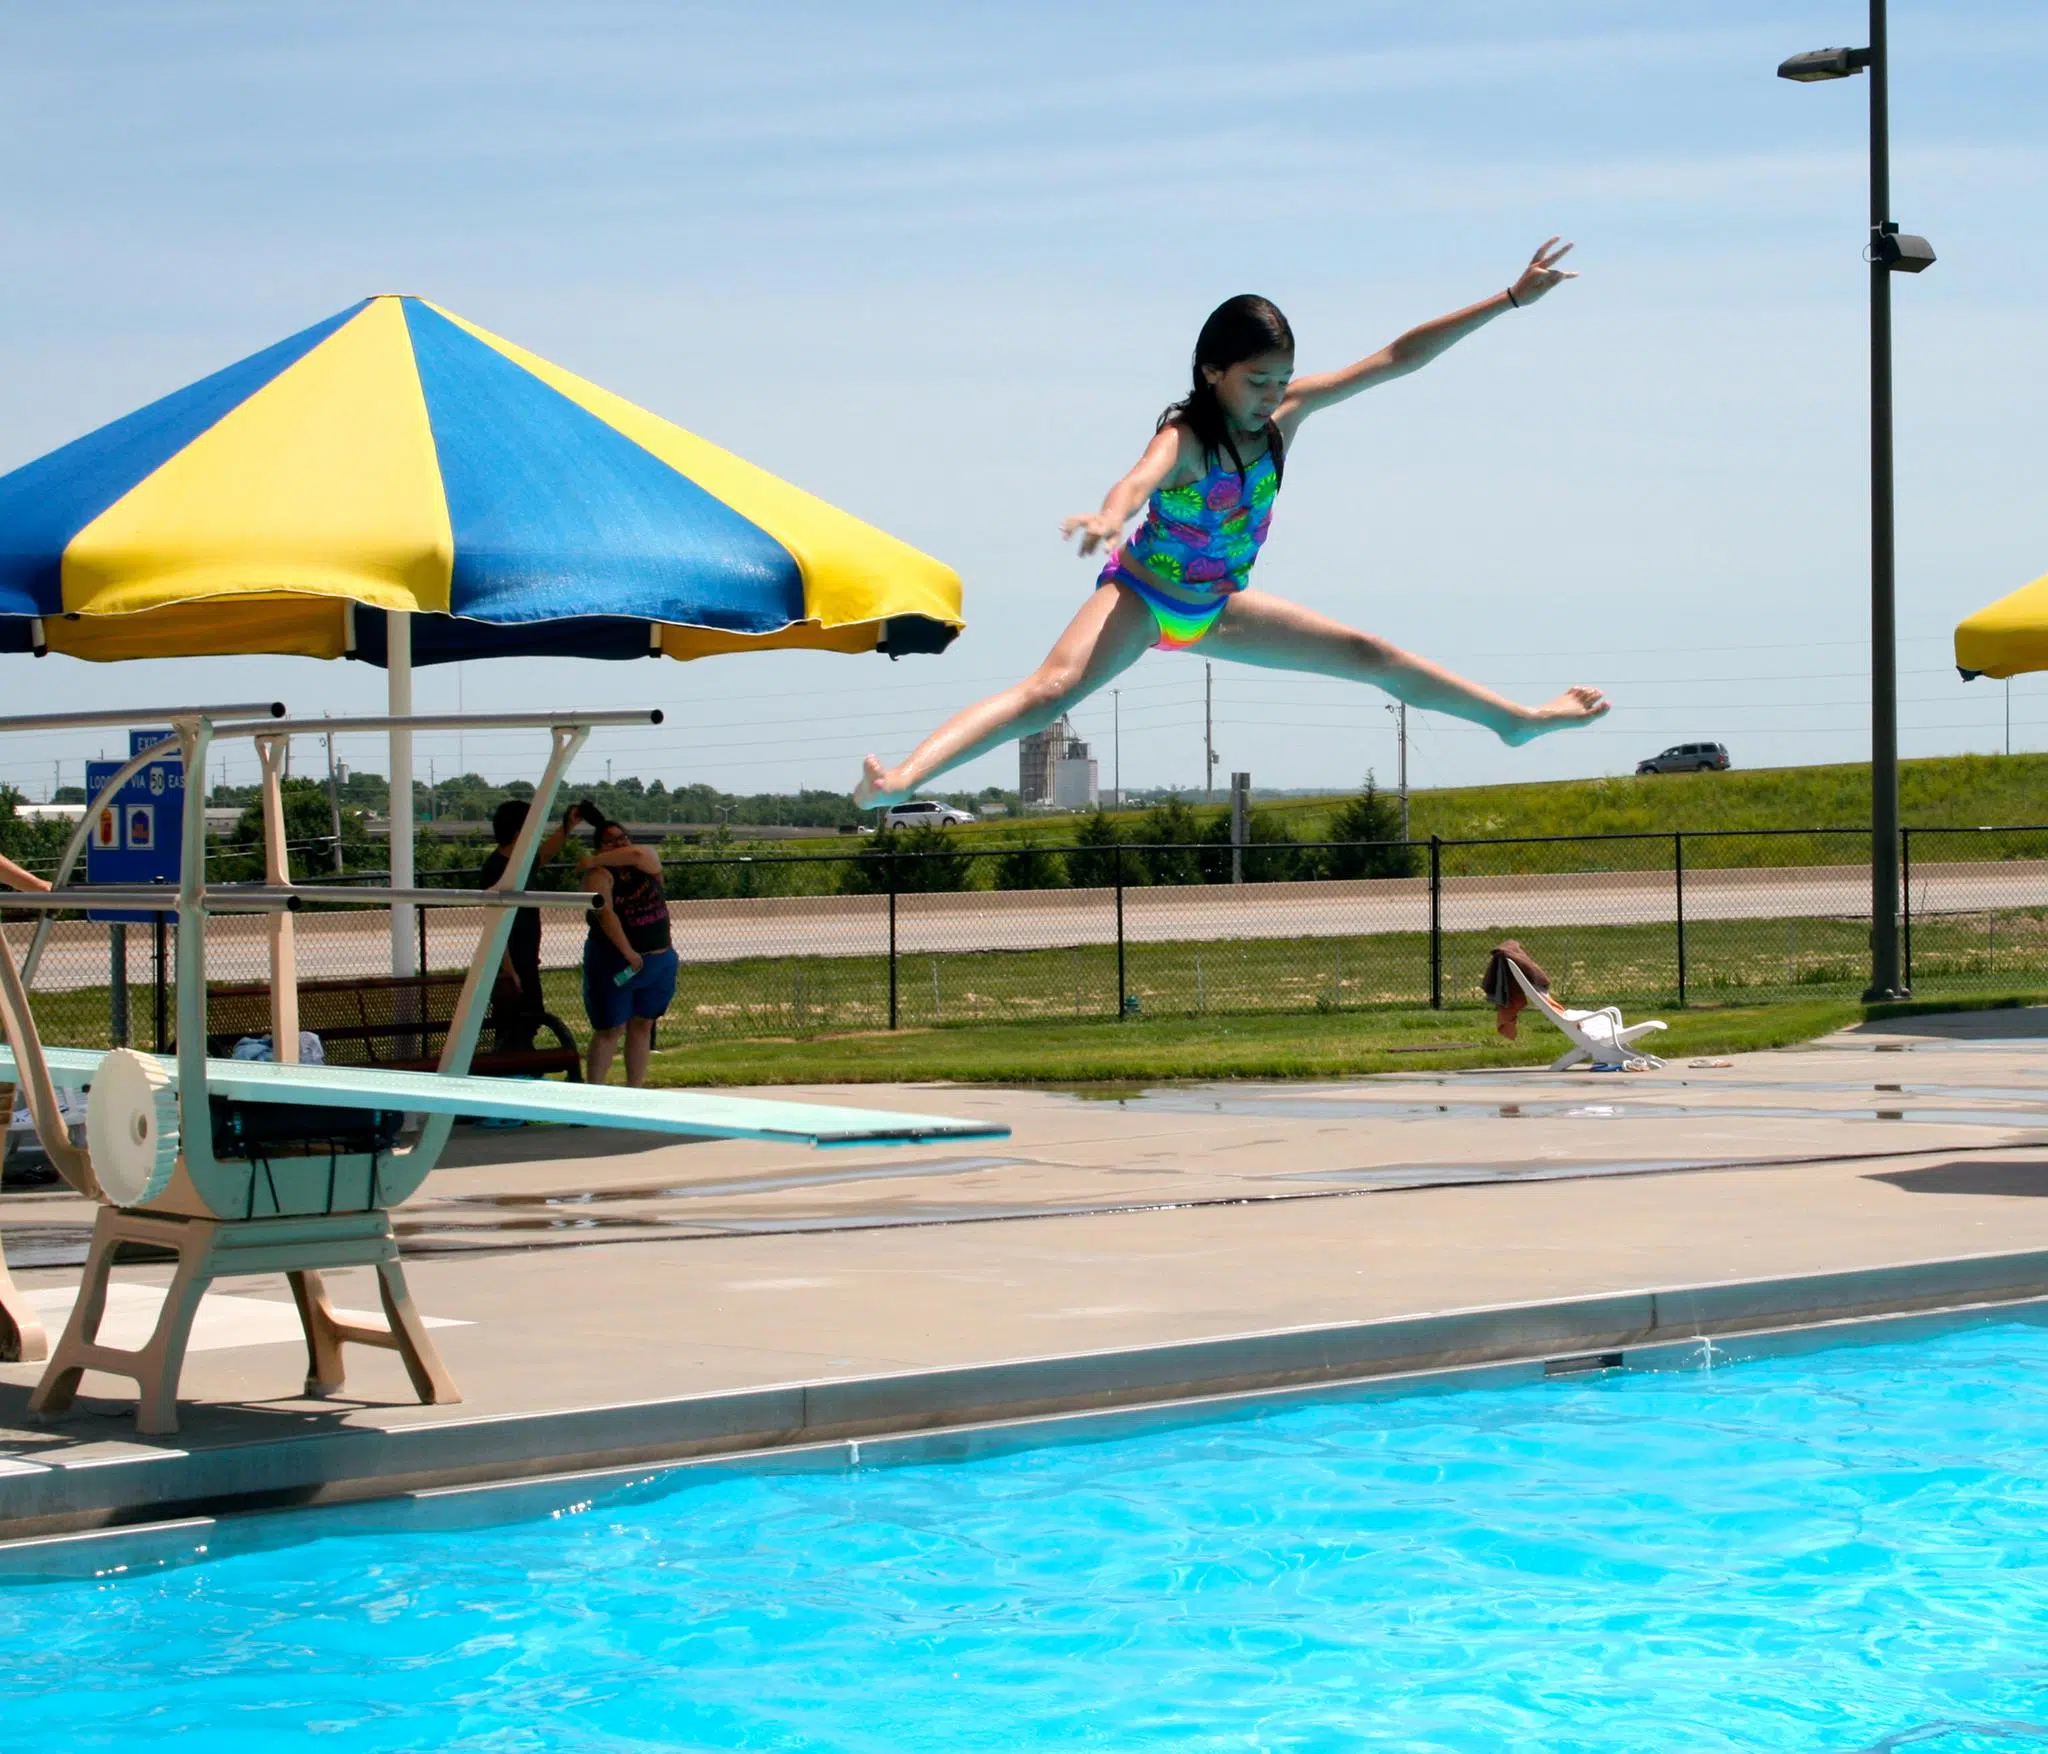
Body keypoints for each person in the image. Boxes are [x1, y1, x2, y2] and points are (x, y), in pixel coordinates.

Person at [856, 241, 1608, 808]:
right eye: (1257, 381)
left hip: (1219, 608)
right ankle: (902, 780)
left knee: (1369, 652)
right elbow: (1137, 479)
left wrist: (1508, 299)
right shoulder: (1187, 438)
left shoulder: (1286, 414)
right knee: (1051, 693)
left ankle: (1516, 721)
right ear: (1213, 371)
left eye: (1281, 380)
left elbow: (1396, 357)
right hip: (1143, 599)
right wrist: (1109, 516)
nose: (1271, 395)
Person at [564, 803, 677, 1087]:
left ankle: (634, 1091)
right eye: (610, 841)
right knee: (610, 1028)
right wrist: (628, 952)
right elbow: (605, 913)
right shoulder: (599, 874)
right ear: (600, 847)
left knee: (643, 1024)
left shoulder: (644, 860)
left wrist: (590, 859)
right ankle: (595, 1095)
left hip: (658, 958)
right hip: (616, 961)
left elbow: (639, 853)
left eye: (622, 838)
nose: (619, 844)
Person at [478, 799, 546, 1055]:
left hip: (527, 960)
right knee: (514, 1024)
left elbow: (545, 854)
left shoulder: (523, 862)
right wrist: (509, 970)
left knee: (532, 1017)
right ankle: (513, 1074)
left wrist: (568, 826)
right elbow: (495, 924)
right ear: (520, 832)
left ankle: (524, 1068)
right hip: (511, 963)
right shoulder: (497, 868)